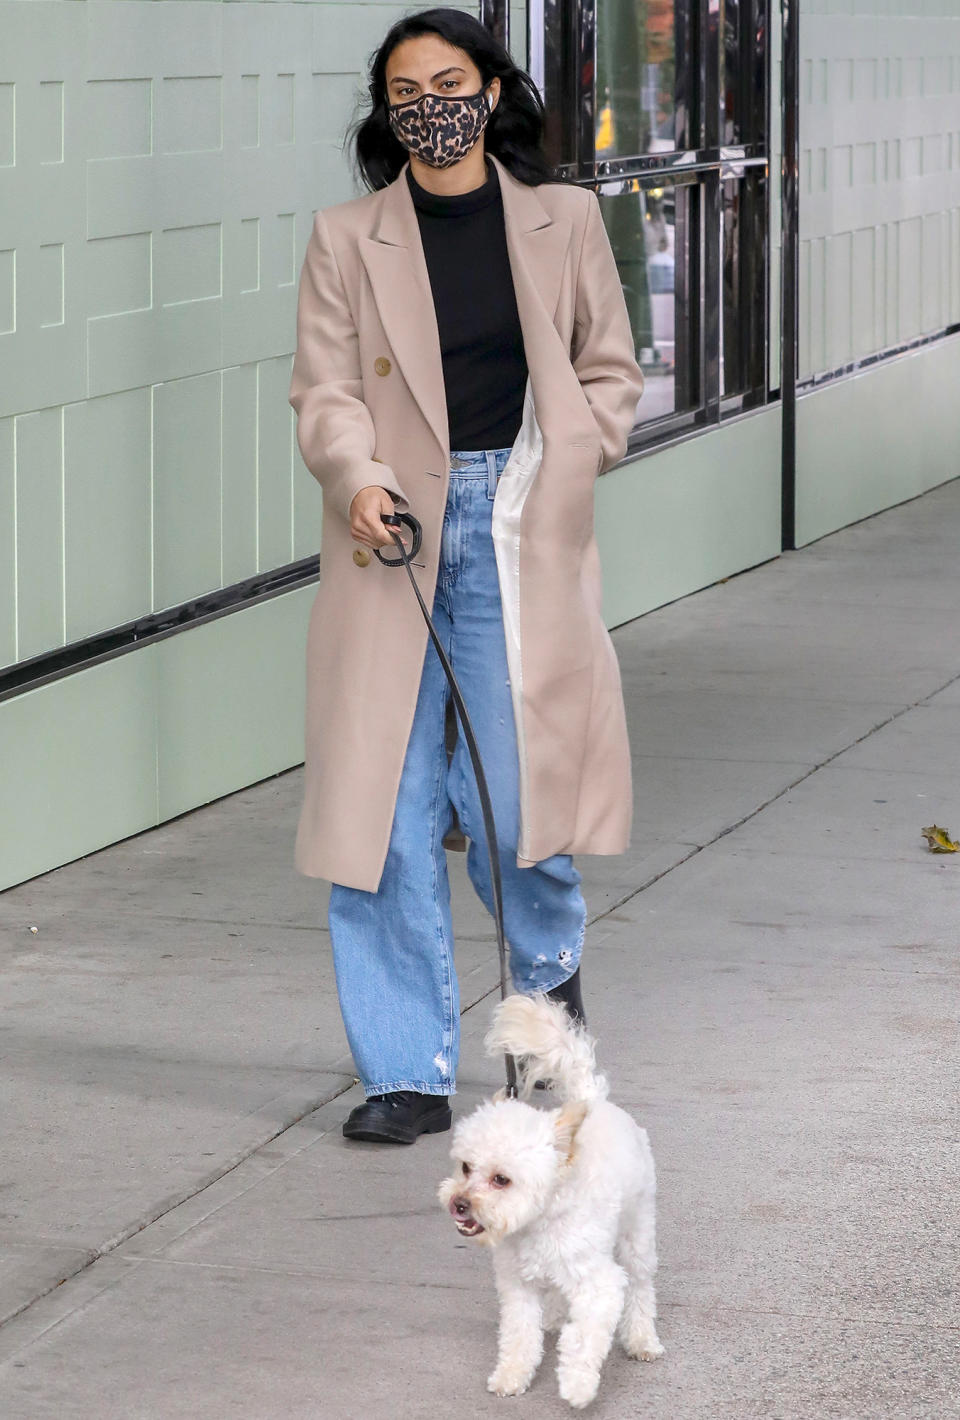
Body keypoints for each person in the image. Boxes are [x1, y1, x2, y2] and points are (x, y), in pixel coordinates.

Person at [288, 7, 644, 1144]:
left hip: (518, 519)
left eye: (450, 82)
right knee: (383, 815)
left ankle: (546, 983)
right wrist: (357, 476)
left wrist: (573, 461)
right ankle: (406, 1069)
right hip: (392, 529)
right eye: (407, 91)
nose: (430, 105)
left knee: (514, 796)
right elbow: (325, 388)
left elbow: (609, 368)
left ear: (491, 92)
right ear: (387, 111)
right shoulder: (349, 237)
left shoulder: (563, 218)